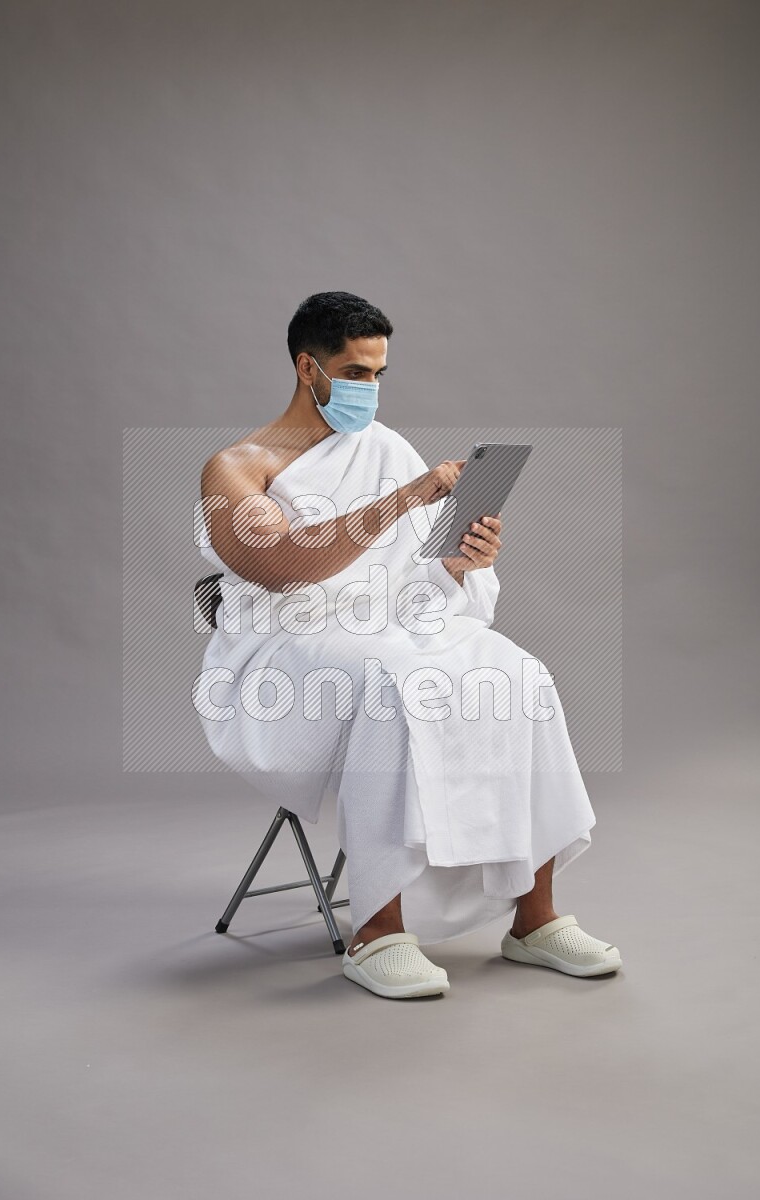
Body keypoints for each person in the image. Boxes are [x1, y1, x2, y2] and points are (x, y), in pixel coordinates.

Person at [193, 291, 622, 1000]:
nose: (370, 389)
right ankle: (378, 931)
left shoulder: (383, 447)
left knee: (520, 673)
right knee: (393, 684)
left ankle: (535, 920)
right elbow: (282, 565)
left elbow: (408, 575)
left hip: (387, 626)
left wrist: (460, 563)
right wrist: (406, 498)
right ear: (307, 367)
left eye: (378, 374)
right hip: (282, 647)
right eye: (355, 373)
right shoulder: (237, 467)